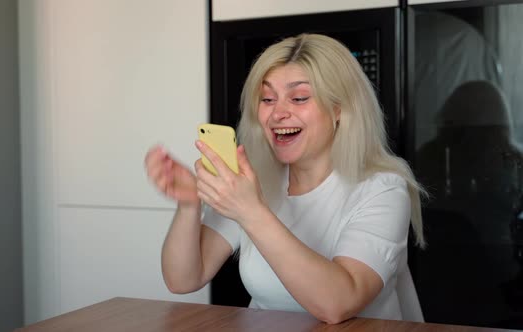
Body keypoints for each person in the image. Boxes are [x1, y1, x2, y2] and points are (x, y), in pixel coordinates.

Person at [144, 33, 426, 324]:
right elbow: (183, 279)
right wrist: (189, 206)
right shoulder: (254, 180)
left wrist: (251, 211)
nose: (278, 113)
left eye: (299, 98)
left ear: (339, 108)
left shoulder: (382, 189)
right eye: (267, 99)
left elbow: (338, 304)